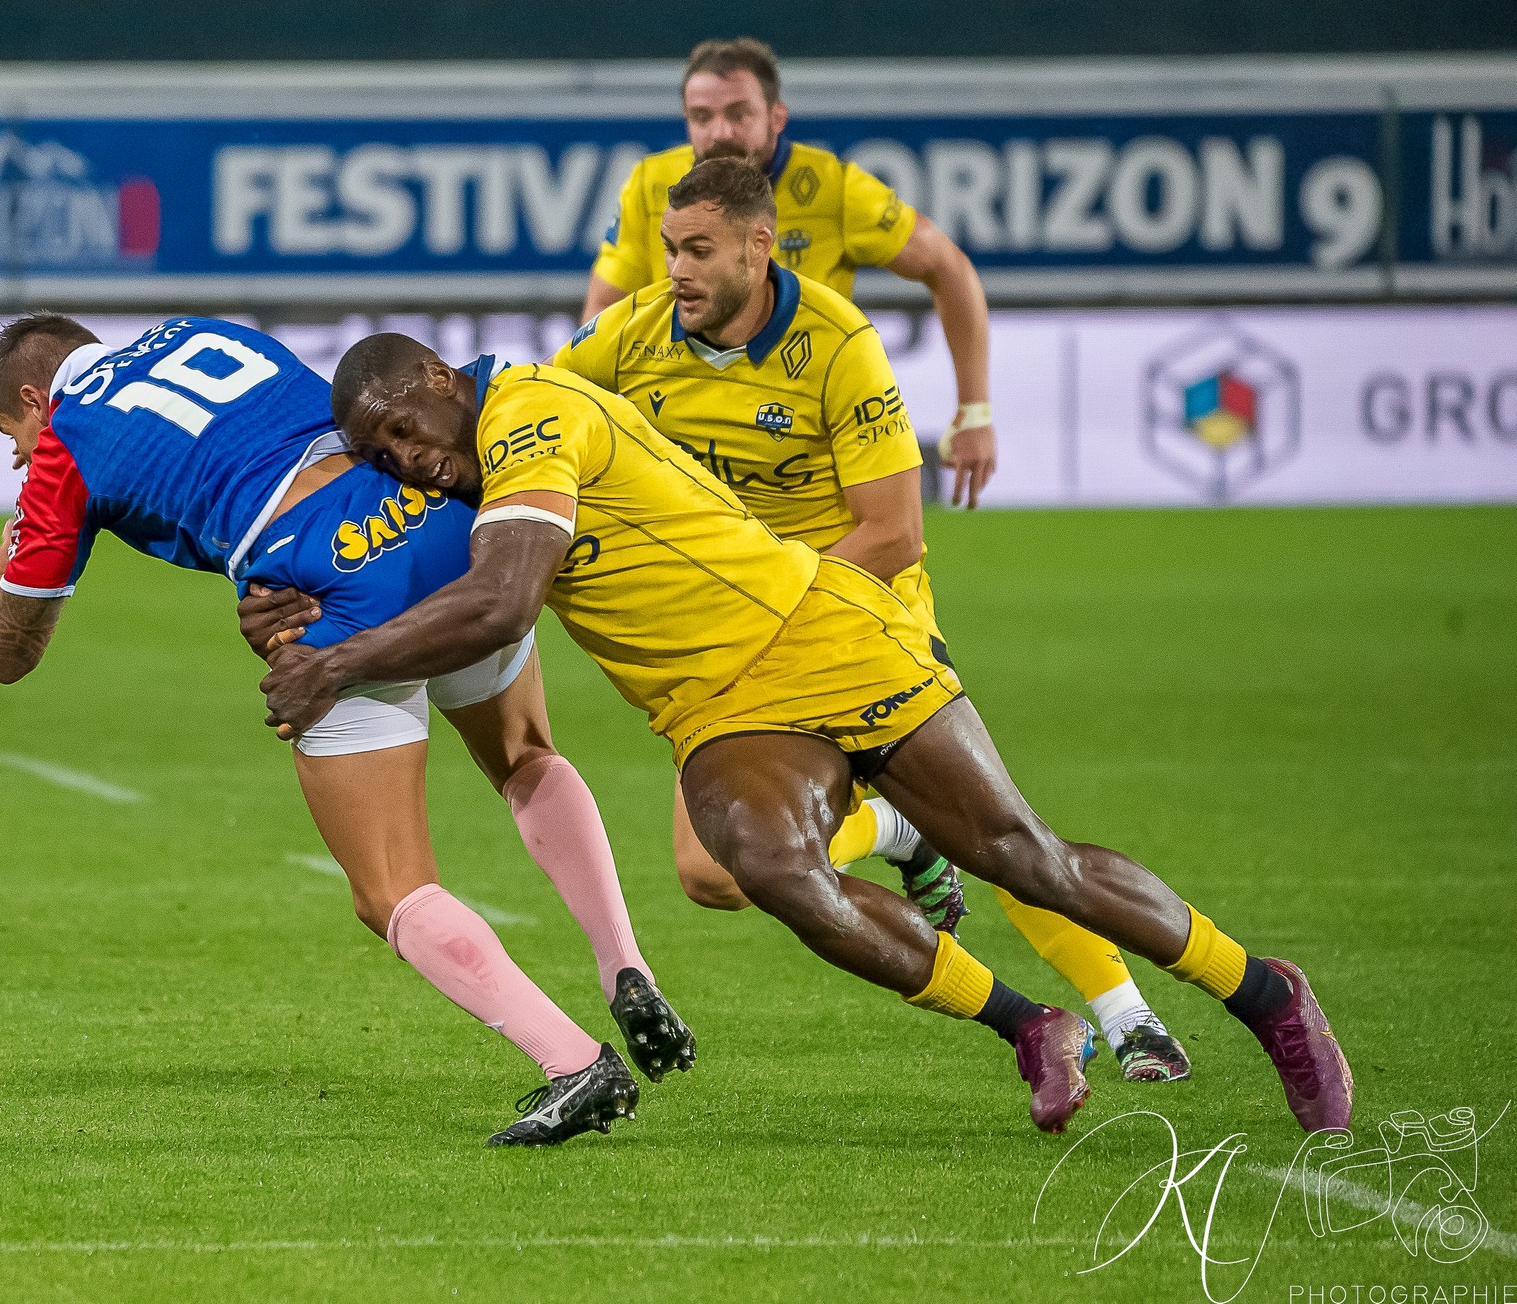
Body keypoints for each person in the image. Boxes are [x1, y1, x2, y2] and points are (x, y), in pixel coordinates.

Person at [255, 325, 1354, 1138]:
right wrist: (284, 602)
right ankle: (1030, 1024)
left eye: (404, 428)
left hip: (816, 631)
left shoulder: (532, 416)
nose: (402, 456)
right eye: (378, 452)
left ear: (441, 382)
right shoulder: (459, 466)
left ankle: (1264, 994)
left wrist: (332, 665)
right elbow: (375, 559)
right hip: (718, 709)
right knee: (772, 869)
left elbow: (496, 605)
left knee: (1025, 857)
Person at [0, 312, 692, 1146]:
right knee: (524, 756)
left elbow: (10, 652)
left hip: (327, 583)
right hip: (432, 523)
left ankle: (574, 1062)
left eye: (17, 433)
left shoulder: (65, 446)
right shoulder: (203, 330)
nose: (20, 456)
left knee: (392, 888)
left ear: (39, 398)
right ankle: (626, 964)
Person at [571, 158, 1189, 1082]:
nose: (676, 268)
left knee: (1004, 838)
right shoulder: (634, 329)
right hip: (740, 637)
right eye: (671, 249)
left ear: (758, 232)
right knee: (712, 875)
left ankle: (1128, 1012)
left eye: (696, 249)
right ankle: (904, 833)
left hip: (860, 611)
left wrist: (971, 410)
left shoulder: (837, 323)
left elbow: (896, 530)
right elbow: (535, 403)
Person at [584, 37, 997, 511]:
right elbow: (604, 310)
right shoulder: (652, 185)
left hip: (805, 446)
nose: (719, 132)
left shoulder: (833, 188)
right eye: (702, 117)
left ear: (776, 117)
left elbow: (948, 267)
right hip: (691, 437)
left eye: (739, 114)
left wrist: (975, 411)